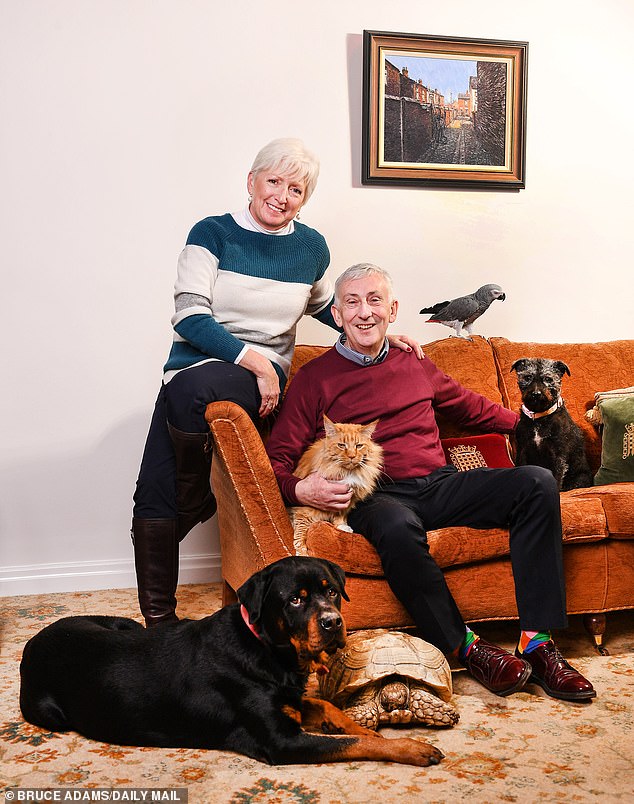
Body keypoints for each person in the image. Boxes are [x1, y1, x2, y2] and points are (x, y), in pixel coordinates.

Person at [266, 263, 596, 701]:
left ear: (393, 309)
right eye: (352, 302)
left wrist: (538, 421)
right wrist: (300, 489)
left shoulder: (414, 362)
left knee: (536, 482)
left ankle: (537, 642)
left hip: (440, 483)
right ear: (338, 315)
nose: (365, 312)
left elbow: (468, 406)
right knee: (397, 528)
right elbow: (278, 459)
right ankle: (467, 647)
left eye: (375, 300)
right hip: (378, 496)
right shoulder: (314, 378)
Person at [132, 141, 420, 627]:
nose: (282, 196)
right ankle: (159, 622)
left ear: (304, 199)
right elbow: (188, 316)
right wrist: (257, 362)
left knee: (187, 394)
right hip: (205, 371)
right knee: (152, 491)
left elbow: (330, 308)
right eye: (274, 182)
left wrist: (379, 330)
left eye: (296, 189)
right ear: (251, 181)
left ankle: (194, 496)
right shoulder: (212, 233)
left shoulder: (310, 247)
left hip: (250, 385)